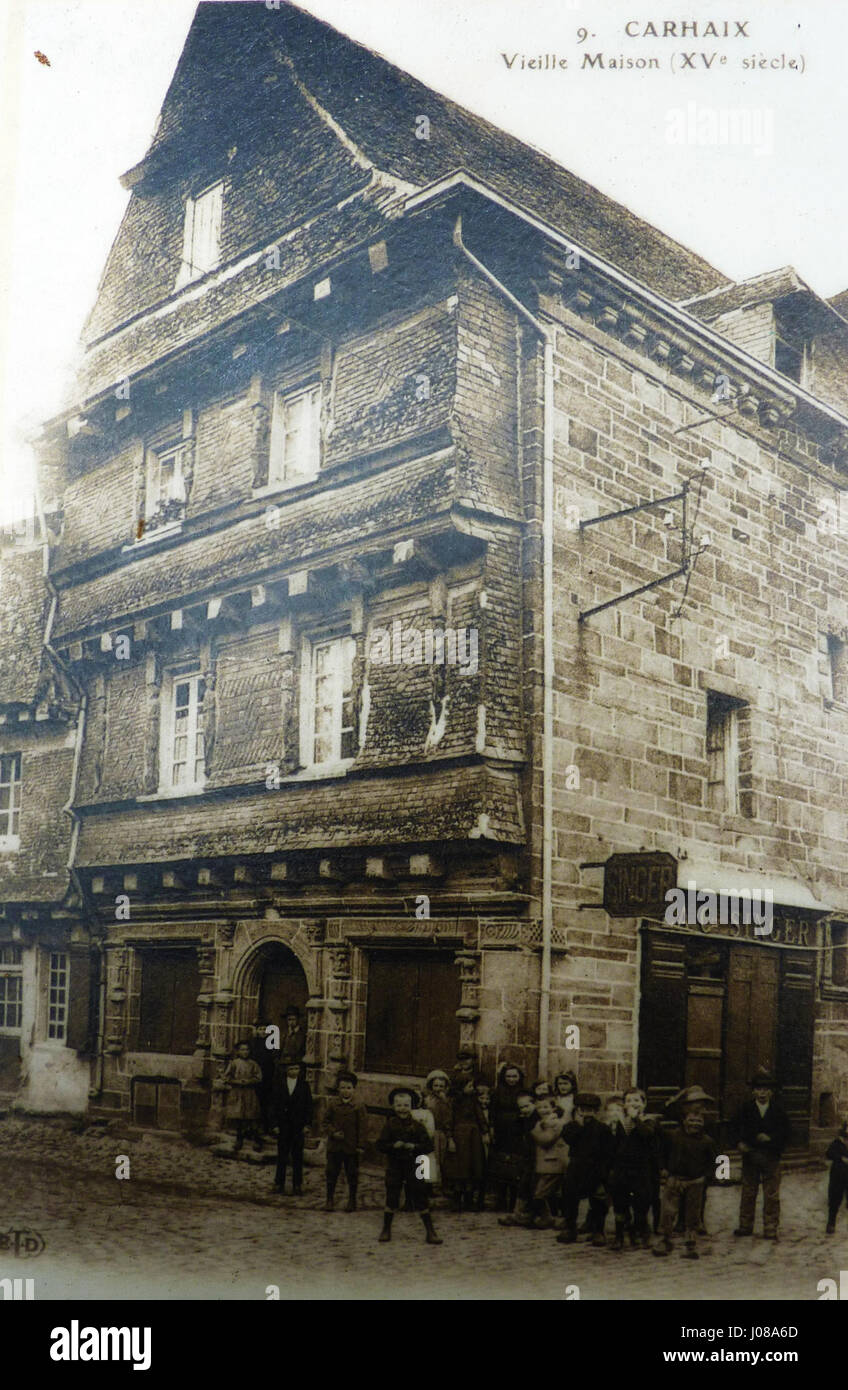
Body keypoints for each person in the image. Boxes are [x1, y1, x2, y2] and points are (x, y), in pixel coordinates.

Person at [654, 1087, 717, 1260]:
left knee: (692, 1215)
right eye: (691, 1118)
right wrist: (664, 1168)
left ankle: (690, 1244)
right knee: (667, 1212)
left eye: (699, 1119)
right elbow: (662, 1152)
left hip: (696, 1181)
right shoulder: (674, 1136)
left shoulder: (708, 1138)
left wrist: (712, 1177)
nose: (695, 1121)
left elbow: (717, 1158)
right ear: (684, 1118)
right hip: (674, 1180)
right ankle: (665, 1240)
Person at [730, 1070, 792, 1240]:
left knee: (771, 1194)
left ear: (771, 1092)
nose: (762, 1093)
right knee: (748, 1191)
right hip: (750, 1155)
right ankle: (745, 1225)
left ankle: (771, 1226)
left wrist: (771, 1139)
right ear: (753, 1091)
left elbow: (786, 1134)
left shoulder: (778, 1111)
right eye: (759, 1089)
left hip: (771, 1157)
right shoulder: (745, 1109)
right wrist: (738, 1143)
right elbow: (733, 1127)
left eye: (766, 1089)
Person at [376, 1087, 442, 1245]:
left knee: (421, 1196)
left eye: (406, 1105)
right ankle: (386, 1229)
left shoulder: (418, 1126)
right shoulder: (390, 1125)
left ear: (411, 1106)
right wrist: (393, 1146)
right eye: (399, 1106)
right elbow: (380, 1145)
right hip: (395, 1165)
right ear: (393, 1106)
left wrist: (414, 1147)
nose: (402, 1109)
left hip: (416, 1164)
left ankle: (430, 1231)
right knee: (392, 1195)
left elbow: (428, 1146)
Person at [557, 1092, 613, 1247]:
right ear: (577, 1110)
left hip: (596, 1168)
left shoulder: (603, 1129)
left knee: (598, 1200)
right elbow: (569, 1138)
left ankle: (598, 1230)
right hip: (576, 1167)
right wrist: (579, 1124)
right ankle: (570, 1227)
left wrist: (604, 1172)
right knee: (569, 1198)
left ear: (596, 1112)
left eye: (590, 1110)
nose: (586, 1113)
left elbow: (608, 1151)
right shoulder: (571, 1127)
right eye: (583, 1109)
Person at [607, 1087, 658, 1251]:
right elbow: (614, 1146)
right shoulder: (620, 1122)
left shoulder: (649, 1121)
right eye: (628, 1101)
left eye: (636, 1101)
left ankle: (641, 1232)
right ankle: (620, 1235)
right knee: (620, 1203)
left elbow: (647, 1135)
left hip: (641, 1169)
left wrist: (636, 1120)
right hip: (622, 1169)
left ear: (644, 1104)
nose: (632, 1104)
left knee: (641, 1203)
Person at [448, 1053, 487, 1213]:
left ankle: (469, 1198)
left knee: (472, 1166)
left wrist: (484, 1131)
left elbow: (480, 1115)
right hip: (459, 1134)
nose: (473, 1089)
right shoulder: (455, 1103)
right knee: (460, 1167)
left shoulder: (473, 1100)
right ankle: (457, 1198)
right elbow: (449, 1119)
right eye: (469, 1087)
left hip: (473, 1134)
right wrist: (450, 1136)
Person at [323, 1070, 366, 1212]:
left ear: (354, 1089)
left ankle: (352, 1200)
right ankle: (329, 1199)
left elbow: (362, 1128)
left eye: (349, 1088)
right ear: (338, 1088)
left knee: (352, 1174)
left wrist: (360, 1146)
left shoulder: (358, 1106)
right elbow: (325, 1122)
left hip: (351, 1147)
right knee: (331, 1173)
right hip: (335, 1146)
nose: (345, 1091)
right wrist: (333, 1132)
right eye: (342, 1088)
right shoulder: (333, 1104)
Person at [498, 1091, 540, 1228]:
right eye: (521, 1107)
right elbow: (516, 1133)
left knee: (532, 1186)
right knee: (524, 1184)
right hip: (527, 1156)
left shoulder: (537, 1119)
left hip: (537, 1156)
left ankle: (530, 1215)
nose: (524, 1110)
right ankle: (520, 1214)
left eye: (526, 1106)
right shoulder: (524, 1119)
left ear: (534, 1104)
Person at [271, 1058, 313, 1195]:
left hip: (297, 1126)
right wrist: (275, 1124)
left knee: (297, 1156)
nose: (294, 1071)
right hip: (283, 1126)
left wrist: (307, 1124)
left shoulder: (304, 1085)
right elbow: (273, 1106)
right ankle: (279, 1183)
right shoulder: (279, 1085)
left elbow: (309, 1107)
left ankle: (297, 1184)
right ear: (286, 1070)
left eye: (297, 1069)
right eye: (291, 1069)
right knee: (282, 1155)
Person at [489, 1063, 526, 1212]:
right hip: (501, 1132)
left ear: (519, 1077)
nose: (511, 1079)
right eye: (508, 1076)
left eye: (514, 1076)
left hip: (517, 1132)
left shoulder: (523, 1092)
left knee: (515, 1165)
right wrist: (492, 1129)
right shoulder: (497, 1092)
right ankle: (501, 1199)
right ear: (503, 1078)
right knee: (500, 1165)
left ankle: (513, 1202)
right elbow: (492, 1111)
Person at [529, 1093, 569, 1229]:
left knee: (540, 1193)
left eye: (546, 1107)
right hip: (546, 1163)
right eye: (539, 1108)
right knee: (542, 1193)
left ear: (553, 1108)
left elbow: (545, 1140)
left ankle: (549, 1218)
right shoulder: (542, 1123)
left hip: (553, 1163)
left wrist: (535, 1131)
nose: (543, 1110)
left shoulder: (555, 1122)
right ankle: (548, 1218)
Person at [222, 1039, 263, 1153]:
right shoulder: (234, 1063)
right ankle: (239, 1140)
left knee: (251, 1116)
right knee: (239, 1117)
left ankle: (257, 1140)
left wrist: (249, 1081)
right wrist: (236, 1081)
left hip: (249, 1092)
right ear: (238, 1051)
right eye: (242, 1050)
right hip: (237, 1092)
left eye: (247, 1050)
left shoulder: (253, 1064)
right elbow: (226, 1077)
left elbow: (259, 1077)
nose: (245, 1052)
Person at [423, 1069, 453, 1194]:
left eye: (441, 1086)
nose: (438, 1088)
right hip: (430, 1132)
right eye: (436, 1085)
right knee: (429, 1159)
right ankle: (427, 1186)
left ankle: (445, 1185)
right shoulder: (427, 1100)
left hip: (442, 1133)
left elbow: (449, 1117)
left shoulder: (447, 1101)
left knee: (444, 1159)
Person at [249, 1020, 276, 1136]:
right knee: (254, 1102)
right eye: (260, 1029)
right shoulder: (253, 1044)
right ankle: (252, 1128)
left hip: (267, 1077)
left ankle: (266, 1126)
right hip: (255, 1076)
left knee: (266, 1102)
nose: (263, 1032)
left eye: (265, 1029)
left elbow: (274, 1059)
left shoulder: (272, 1043)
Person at [826, 1120, 848, 1235]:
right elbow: (829, 1153)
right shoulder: (837, 1142)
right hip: (838, 1175)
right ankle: (831, 1223)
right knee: (835, 1200)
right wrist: (840, 1158)